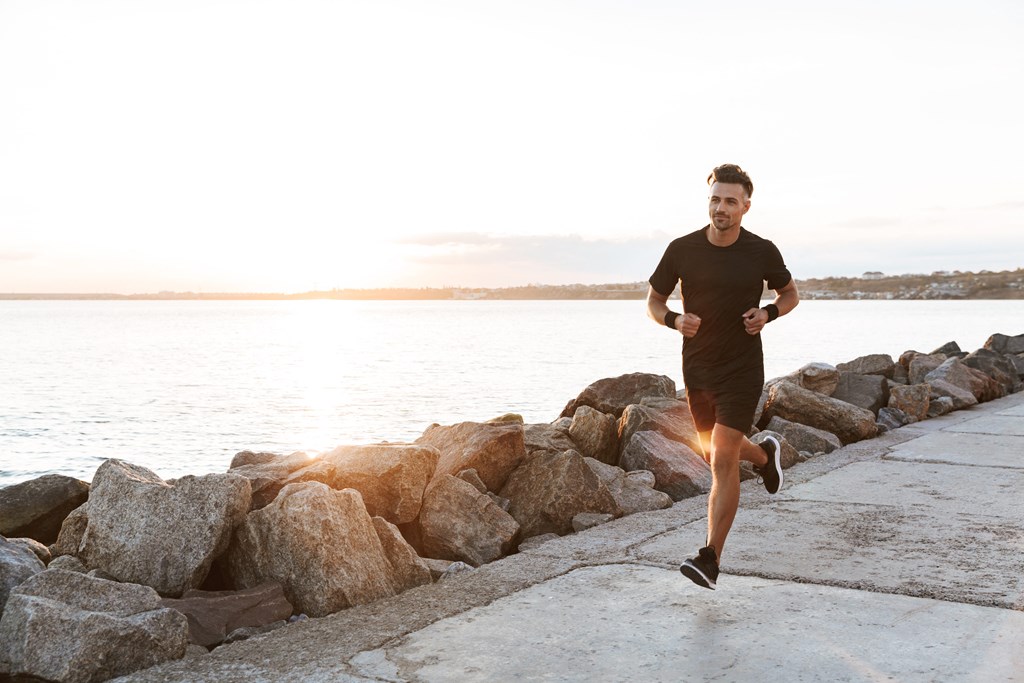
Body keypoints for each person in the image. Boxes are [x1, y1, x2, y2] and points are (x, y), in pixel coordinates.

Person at [646, 163, 799, 590]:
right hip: (698, 368)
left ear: (746, 206)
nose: (721, 208)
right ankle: (767, 457)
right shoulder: (682, 249)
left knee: (723, 456)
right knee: (717, 452)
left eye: (731, 201)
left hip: (742, 367)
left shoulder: (761, 251)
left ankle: (710, 557)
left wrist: (767, 313)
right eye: (715, 199)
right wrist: (674, 321)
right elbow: (654, 301)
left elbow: (790, 294)